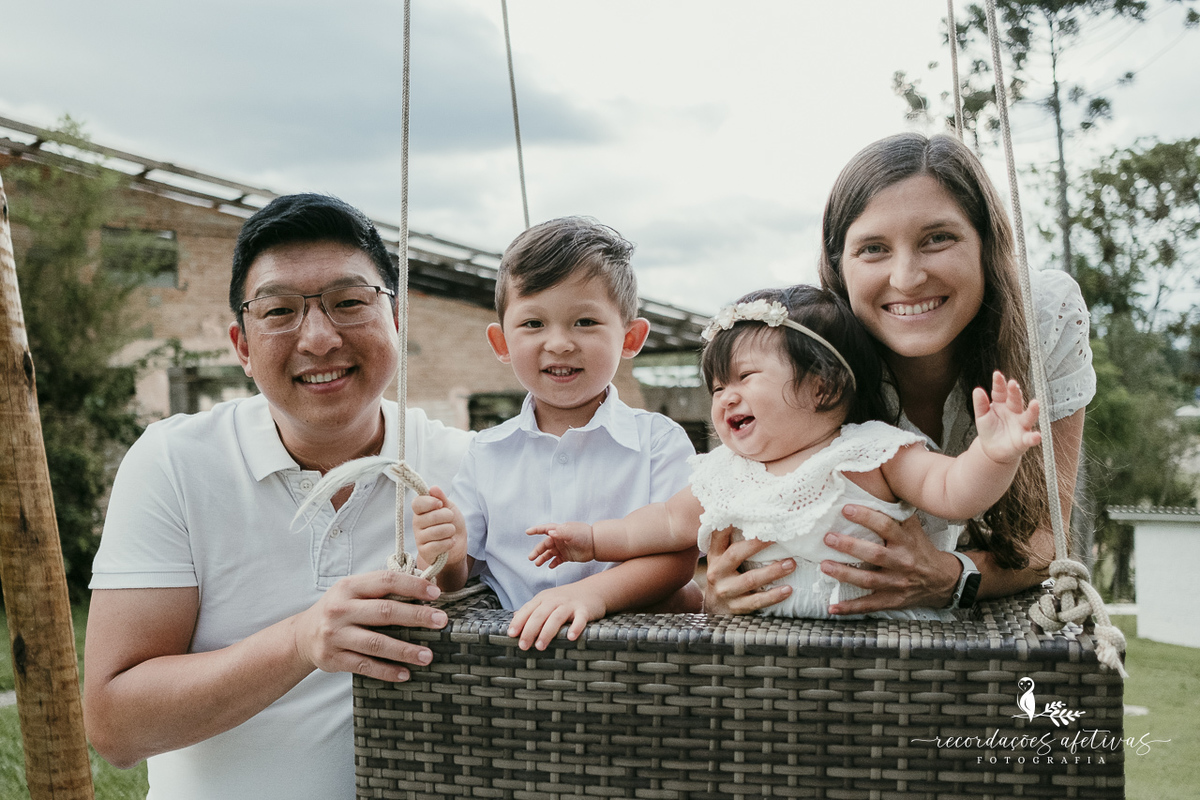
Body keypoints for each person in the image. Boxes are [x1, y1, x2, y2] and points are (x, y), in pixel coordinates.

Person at [83, 194, 472, 800]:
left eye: (348, 303)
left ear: (395, 320)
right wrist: (302, 640)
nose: (319, 339)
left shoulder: (464, 463)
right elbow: (115, 726)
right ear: (241, 345)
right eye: (280, 311)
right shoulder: (174, 463)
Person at [703, 132, 1096, 617]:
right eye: (873, 249)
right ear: (838, 265)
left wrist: (951, 578)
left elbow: (1047, 537)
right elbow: (707, 520)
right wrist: (720, 585)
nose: (907, 278)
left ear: (985, 245)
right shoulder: (810, 363)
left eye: (938, 238)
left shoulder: (1043, 318)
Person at [528, 285, 1042, 618]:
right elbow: (665, 522)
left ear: (823, 388)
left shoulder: (871, 454)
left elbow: (953, 491)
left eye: (745, 377)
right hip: (767, 659)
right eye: (717, 388)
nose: (725, 397)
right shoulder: (726, 473)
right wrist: (592, 540)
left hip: (888, 648)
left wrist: (994, 455)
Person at [412, 216, 699, 651]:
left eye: (585, 322)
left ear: (631, 337)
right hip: (512, 657)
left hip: (633, 659)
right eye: (533, 324)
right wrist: (447, 553)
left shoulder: (659, 442)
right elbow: (457, 579)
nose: (560, 343)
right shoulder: (485, 452)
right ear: (501, 343)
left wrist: (588, 595)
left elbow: (679, 559)